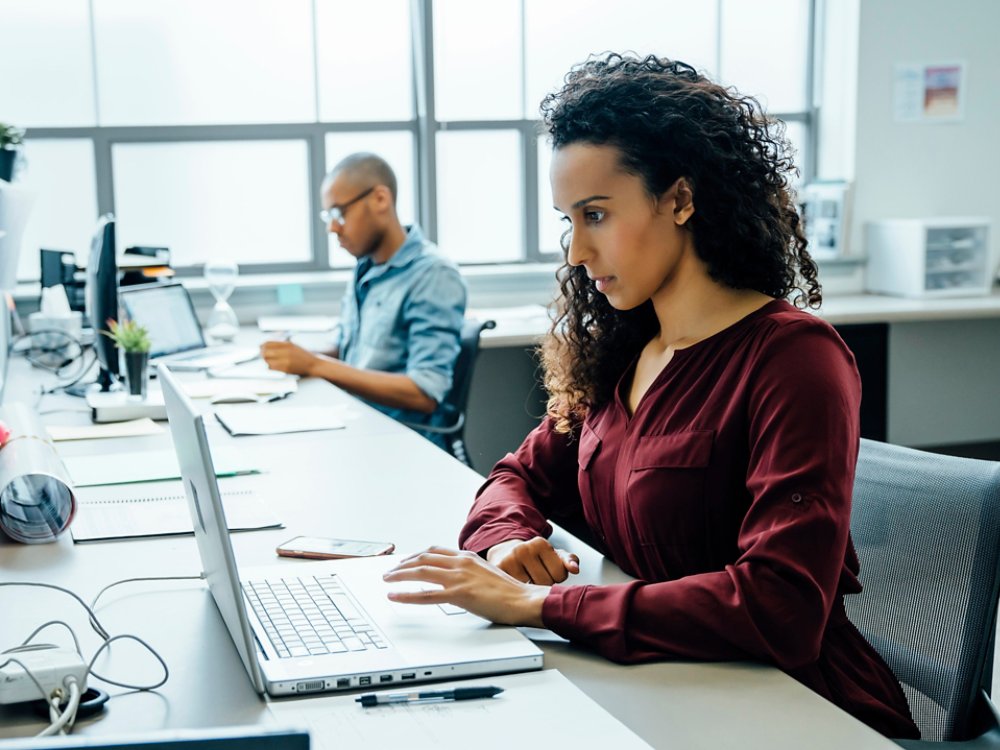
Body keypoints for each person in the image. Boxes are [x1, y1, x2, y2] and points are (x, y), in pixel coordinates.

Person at [381, 54, 920, 739]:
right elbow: (515, 477)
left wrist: (539, 606)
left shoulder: (794, 360)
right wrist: (508, 542)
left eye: (597, 214)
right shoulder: (624, 353)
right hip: (663, 683)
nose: (576, 250)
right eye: (568, 220)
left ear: (681, 200)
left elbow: (781, 606)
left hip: (796, 709)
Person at [261, 153, 467, 448]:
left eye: (339, 213)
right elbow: (347, 349)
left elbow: (424, 393)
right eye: (328, 217)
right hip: (355, 421)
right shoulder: (366, 268)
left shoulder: (434, 274)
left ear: (381, 199)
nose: (333, 228)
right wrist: (296, 354)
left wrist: (314, 365)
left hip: (399, 441)